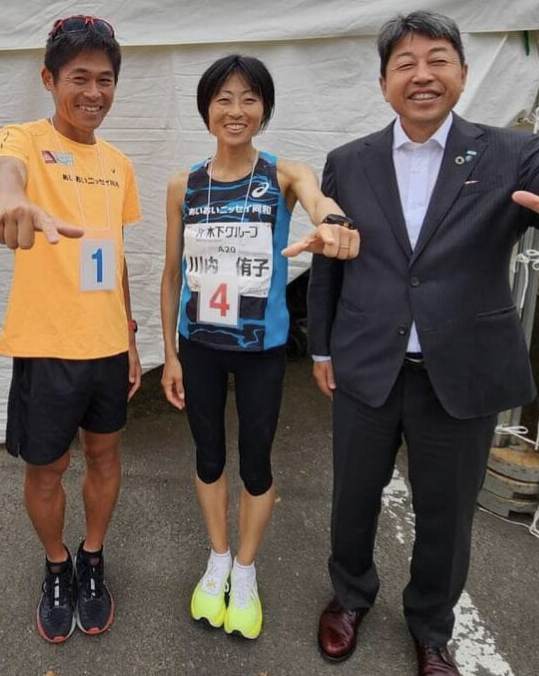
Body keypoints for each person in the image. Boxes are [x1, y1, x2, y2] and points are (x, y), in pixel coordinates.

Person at [309, 11, 539, 676]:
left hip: (460, 373)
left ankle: (431, 627)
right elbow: (328, 260)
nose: (422, 74)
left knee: (448, 515)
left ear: (461, 73)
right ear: (383, 82)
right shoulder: (348, 162)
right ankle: (350, 596)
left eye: (438, 59)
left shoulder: (510, 153)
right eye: (405, 63)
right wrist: (321, 349)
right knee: (353, 498)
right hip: (368, 365)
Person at [159, 54, 360, 640]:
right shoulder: (184, 185)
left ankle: (245, 570)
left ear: (264, 109)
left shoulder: (283, 174)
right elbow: (171, 274)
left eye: (249, 98)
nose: (236, 110)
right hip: (198, 345)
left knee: (256, 461)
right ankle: (218, 557)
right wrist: (169, 354)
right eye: (223, 98)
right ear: (206, 109)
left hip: (262, 350)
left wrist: (334, 221)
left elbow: (318, 199)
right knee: (208, 456)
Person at [0, 16, 141, 643]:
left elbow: (116, 255)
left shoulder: (118, 163)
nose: (93, 92)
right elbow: (5, 176)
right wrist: (10, 201)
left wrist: (130, 337)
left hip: (107, 345)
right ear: (50, 79)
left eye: (105, 80)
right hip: (47, 345)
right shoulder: (22, 138)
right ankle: (56, 565)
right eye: (79, 77)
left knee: (105, 457)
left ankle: (92, 557)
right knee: (46, 469)